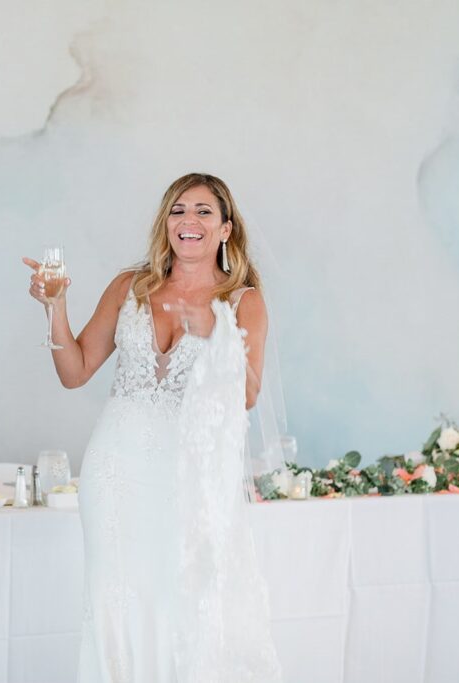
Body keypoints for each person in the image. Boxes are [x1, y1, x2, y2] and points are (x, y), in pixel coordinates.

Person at [24, 173, 283, 681]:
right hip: (116, 469)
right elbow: (74, 372)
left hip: (190, 474)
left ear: (227, 229)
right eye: (178, 210)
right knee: (114, 597)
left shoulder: (242, 301)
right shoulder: (130, 287)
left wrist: (218, 335)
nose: (189, 221)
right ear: (166, 223)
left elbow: (248, 395)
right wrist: (54, 308)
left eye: (204, 211)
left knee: (181, 598)